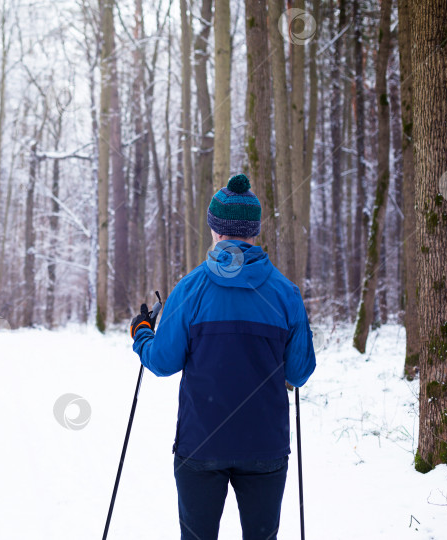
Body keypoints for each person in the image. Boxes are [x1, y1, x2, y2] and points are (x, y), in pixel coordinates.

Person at [130, 174, 316, 540]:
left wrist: (142, 334)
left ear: (216, 230)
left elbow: (163, 362)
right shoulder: (285, 293)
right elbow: (299, 371)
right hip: (265, 445)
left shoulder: (190, 288)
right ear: (254, 232)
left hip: (201, 444)